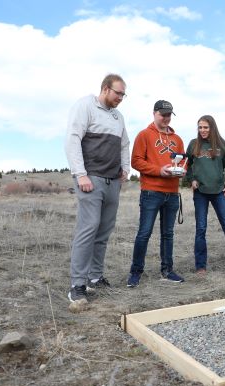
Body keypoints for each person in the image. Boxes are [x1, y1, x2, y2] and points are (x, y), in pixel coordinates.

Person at [64, 73, 130, 302]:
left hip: (113, 180)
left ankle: (95, 277)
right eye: (118, 93)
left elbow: (124, 144)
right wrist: (80, 174)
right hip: (90, 178)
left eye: (123, 94)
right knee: (88, 228)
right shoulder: (85, 106)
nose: (121, 97)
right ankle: (77, 284)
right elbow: (72, 139)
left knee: (103, 231)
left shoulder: (118, 117)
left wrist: (125, 169)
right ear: (105, 89)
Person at [127, 100, 186, 287]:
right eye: (163, 115)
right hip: (151, 192)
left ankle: (167, 270)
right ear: (154, 113)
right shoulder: (144, 135)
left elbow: (183, 161)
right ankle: (136, 272)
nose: (166, 118)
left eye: (169, 115)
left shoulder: (177, 139)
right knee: (144, 233)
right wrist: (159, 170)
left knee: (168, 234)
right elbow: (136, 161)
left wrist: (182, 170)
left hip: (172, 192)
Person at [186, 115, 225, 274]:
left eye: (205, 127)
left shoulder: (221, 144)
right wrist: (191, 180)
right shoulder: (193, 145)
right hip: (200, 193)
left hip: (219, 192)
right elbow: (187, 165)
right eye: (200, 127)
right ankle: (200, 266)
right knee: (201, 229)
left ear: (212, 127)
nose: (203, 130)